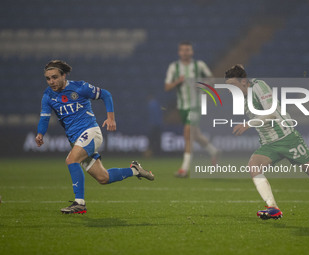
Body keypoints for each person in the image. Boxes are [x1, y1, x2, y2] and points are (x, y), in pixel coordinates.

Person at [36, 60, 154, 214]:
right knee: (103, 178)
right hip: (75, 140)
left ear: (64, 75)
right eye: (48, 78)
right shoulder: (48, 95)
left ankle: (79, 203)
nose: (51, 82)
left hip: (91, 132)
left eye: (55, 77)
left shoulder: (80, 87)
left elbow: (106, 94)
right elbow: (44, 117)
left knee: (71, 160)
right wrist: (40, 133)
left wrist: (110, 118)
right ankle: (135, 170)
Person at [225, 64, 309, 220]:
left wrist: (248, 124)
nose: (231, 91)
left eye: (233, 86)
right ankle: (273, 207)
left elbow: (271, 113)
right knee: (254, 166)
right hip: (269, 144)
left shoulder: (258, 86)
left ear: (243, 81)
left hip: (286, 138)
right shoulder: (244, 98)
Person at [164, 41, 218, 177]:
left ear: (192, 52)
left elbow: (212, 80)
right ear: (179, 52)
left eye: (187, 50)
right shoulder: (174, 67)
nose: (185, 52)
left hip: (196, 105)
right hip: (182, 107)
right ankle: (213, 151)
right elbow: (167, 87)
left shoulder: (199, 65)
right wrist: (177, 82)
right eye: (182, 50)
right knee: (196, 135)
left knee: (188, 132)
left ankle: (185, 168)